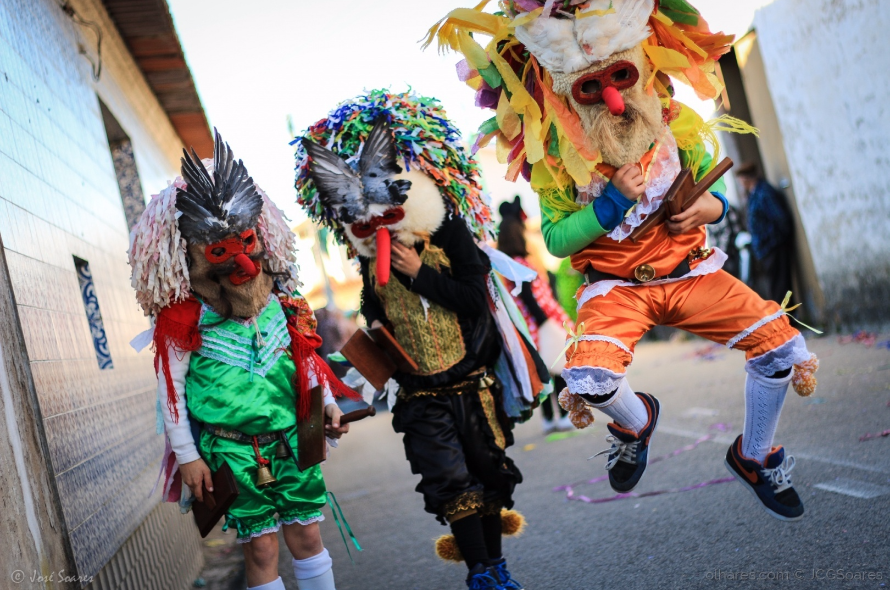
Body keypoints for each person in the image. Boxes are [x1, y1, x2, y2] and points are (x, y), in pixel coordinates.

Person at [428, 0, 820, 522]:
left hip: (691, 273)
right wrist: (610, 204)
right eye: (592, 87)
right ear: (562, 90)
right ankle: (635, 424)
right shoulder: (556, 156)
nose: (613, 99)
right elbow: (556, 238)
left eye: (621, 76)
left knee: (776, 345)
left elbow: (716, 188)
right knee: (591, 375)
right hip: (615, 288)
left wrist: (706, 206)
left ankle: (755, 455)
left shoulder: (674, 124)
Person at [294, 91, 549, 589]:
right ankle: (481, 575)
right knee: (450, 483)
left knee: (488, 475)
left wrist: (417, 274)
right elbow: (374, 311)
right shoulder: (367, 253)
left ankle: (497, 568)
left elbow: (475, 300)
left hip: (472, 385)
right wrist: (375, 337)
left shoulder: (448, 229)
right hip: (421, 397)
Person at [128, 131, 360, 590]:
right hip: (230, 449)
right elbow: (170, 394)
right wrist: (188, 456)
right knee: (261, 548)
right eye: (218, 251)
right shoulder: (182, 320)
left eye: (247, 240)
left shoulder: (284, 301)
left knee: (308, 536)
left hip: (295, 436)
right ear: (189, 254)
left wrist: (328, 403)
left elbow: (307, 359)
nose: (242, 262)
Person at [497, 196, 572, 433]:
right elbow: (529, 296)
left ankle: (550, 417)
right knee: (557, 368)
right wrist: (545, 322)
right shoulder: (520, 262)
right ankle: (563, 415)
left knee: (547, 371)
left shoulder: (509, 262)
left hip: (530, 321)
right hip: (539, 319)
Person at [736, 162, 795, 303]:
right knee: (775, 286)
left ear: (746, 179)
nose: (741, 184)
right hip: (765, 249)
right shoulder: (752, 194)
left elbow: (780, 217)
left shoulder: (764, 192)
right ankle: (782, 319)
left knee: (780, 286)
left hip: (774, 246)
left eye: (741, 180)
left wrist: (778, 240)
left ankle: (787, 320)